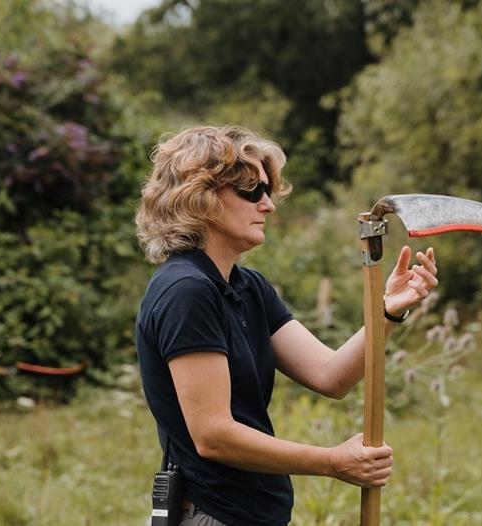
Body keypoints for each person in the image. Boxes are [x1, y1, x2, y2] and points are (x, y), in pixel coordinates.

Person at [134, 125, 439, 525]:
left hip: (256, 514)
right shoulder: (186, 291)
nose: (268, 205)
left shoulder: (248, 288)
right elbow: (213, 435)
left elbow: (331, 377)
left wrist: (389, 311)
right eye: (251, 190)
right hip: (212, 515)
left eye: (267, 191)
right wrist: (332, 461)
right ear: (201, 197)